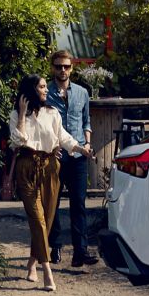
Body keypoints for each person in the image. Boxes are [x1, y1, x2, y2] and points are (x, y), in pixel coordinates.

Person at [9, 74, 93, 291]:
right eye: (43, 87)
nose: (47, 90)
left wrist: (80, 148)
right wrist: (20, 116)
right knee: (37, 219)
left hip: (50, 168)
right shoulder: (16, 114)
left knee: (46, 218)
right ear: (32, 90)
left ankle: (31, 263)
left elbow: (63, 137)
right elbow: (18, 141)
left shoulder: (52, 113)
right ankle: (47, 272)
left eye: (46, 86)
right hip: (26, 167)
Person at [47, 50, 99, 267]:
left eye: (66, 66)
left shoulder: (82, 92)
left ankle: (81, 251)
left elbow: (86, 121)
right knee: (54, 203)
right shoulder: (45, 92)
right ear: (52, 68)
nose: (62, 70)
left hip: (78, 153)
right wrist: (50, 147)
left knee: (79, 203)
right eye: (59, 66)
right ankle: (56, 246)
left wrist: (87, 143)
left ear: (72, 68)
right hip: (57, 154)